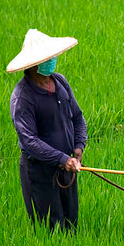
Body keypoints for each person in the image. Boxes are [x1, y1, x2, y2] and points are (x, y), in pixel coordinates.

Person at [7, 29, 87, 232]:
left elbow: (78, 117)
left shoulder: (60, 81)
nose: (52, 60)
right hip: (40, 173)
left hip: (67, 169)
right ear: (34, 64)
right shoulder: (23, 97)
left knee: (71, 226)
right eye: (47, 58)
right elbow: (29, 141)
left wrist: (78, 148)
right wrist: (62, 159)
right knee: (50, 230)